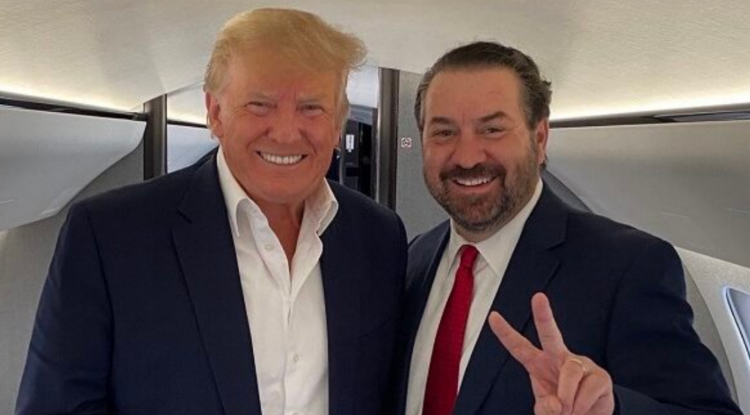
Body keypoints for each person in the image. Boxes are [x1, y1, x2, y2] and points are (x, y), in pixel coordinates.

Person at [16, 8, 406, 415]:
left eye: (311, 108)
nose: (286, 132)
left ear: (338, 122)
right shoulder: (110, 237)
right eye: (260, 104)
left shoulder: (378, 238)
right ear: (215, 112)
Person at [395, 41, 741, 415]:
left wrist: (611, 408)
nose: (467, 157)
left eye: (492, 129)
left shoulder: (626, 267)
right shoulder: (415, 258)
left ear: (539, 138)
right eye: (444, 132)